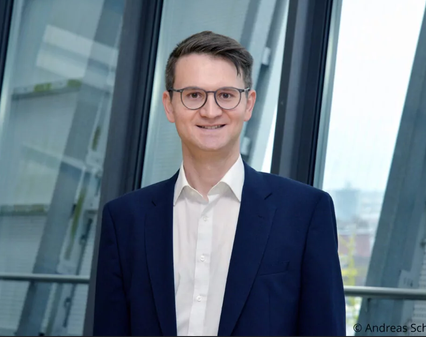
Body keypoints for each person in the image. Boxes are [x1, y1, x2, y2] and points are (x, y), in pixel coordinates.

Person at [94, 31, 346, 336]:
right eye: (193, 95)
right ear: (169, 105)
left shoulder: (305, 213)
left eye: (226, 95)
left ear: (249, 104)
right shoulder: (124, 219)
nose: (210, 111)